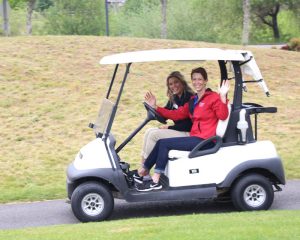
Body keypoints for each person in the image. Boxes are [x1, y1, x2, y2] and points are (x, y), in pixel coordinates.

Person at [135, 67, 230, 191]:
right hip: (195, 137)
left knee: (164, 144)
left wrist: (222, 96)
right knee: (160, 142)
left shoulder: (213, 97)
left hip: (206, 140)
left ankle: (155, 179)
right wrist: (156, 107)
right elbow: (177, 114)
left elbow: (223, 115)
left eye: (200, 79)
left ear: (205, 80)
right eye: (194, 79)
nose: (197, 82)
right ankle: (143, 171)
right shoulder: (193, 100)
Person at [136, 71, 194, 182]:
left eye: (176, 82)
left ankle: (145, 171)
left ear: (182, 82)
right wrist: (153, 108)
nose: (173, 86)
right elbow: (165, 115)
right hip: (179, 131)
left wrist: (170, 127)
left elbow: (186, 123)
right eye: (170, 84)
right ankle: (143, 166)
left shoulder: (189, 98)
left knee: (154, 135)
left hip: (188, 133)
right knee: (149, 131)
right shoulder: (174, 98)